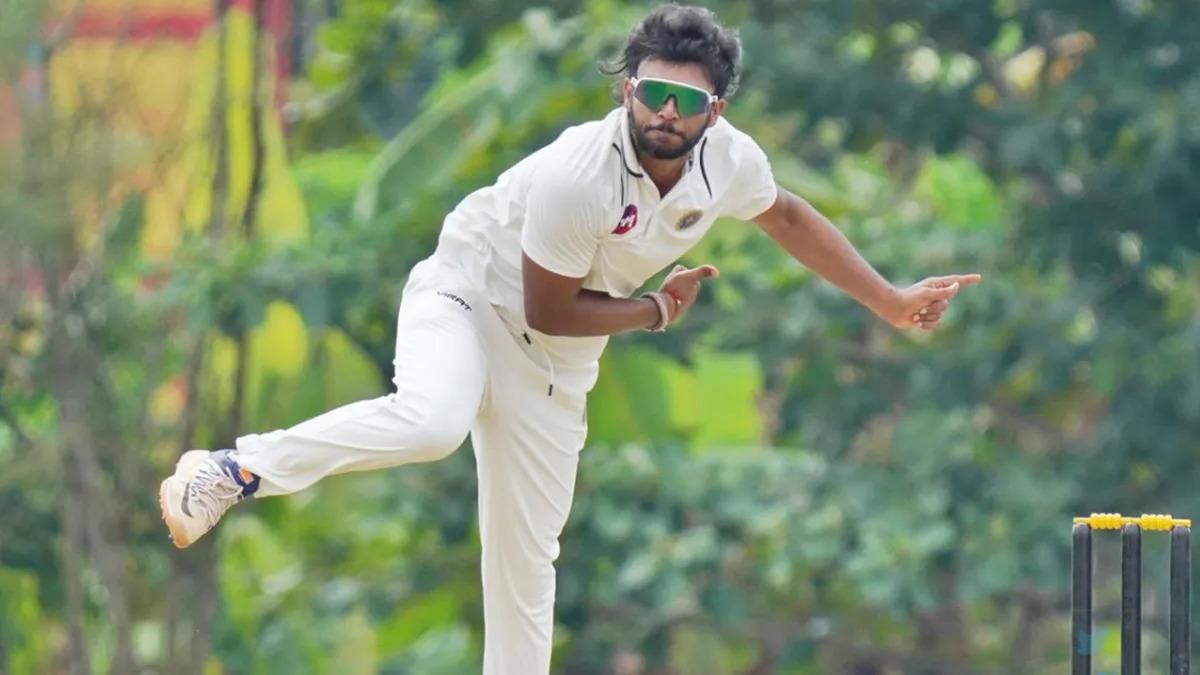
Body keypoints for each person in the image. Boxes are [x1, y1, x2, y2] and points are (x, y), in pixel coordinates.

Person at [158, 4, 981, 673]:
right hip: (468, 296)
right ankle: (232, 468)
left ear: (716, 113)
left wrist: (887, 299)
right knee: (433, 422)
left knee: (526, 565)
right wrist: (655, 311)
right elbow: (548, 305)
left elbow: (788, 215)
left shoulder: (728, 162)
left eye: (688, 101)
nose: (667, 112)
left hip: (557, 359)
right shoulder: (578, 174)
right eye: (653, 92)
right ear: (627, 90)